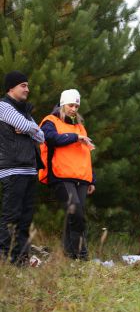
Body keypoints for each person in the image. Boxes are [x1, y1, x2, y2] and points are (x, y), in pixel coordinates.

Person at [38, 89, 95, 260]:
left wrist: (92, 179)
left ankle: (71, 256)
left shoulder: (80, 126)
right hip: (60, 175)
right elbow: (51, 139)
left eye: (77, 105)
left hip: (82, 177)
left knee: (76, 215)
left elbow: (86, 154)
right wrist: (75, 137)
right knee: (75, 212)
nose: (74, 109)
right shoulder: (50, 121)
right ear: (63, 104)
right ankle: (82, 254)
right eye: (71, 105)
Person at [0, 71, 45, 266]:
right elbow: (26, 127)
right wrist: (29, 128)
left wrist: (29, 128)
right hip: (12, 169)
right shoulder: (3, 106)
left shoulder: (24, 111)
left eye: (27, 85)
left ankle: (21, 259)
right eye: (23, 85)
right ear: (11, 87)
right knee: (11, 217)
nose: (27, 89)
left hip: (29, 170)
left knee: (25, 218)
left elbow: (41, 136)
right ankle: (5, 258)